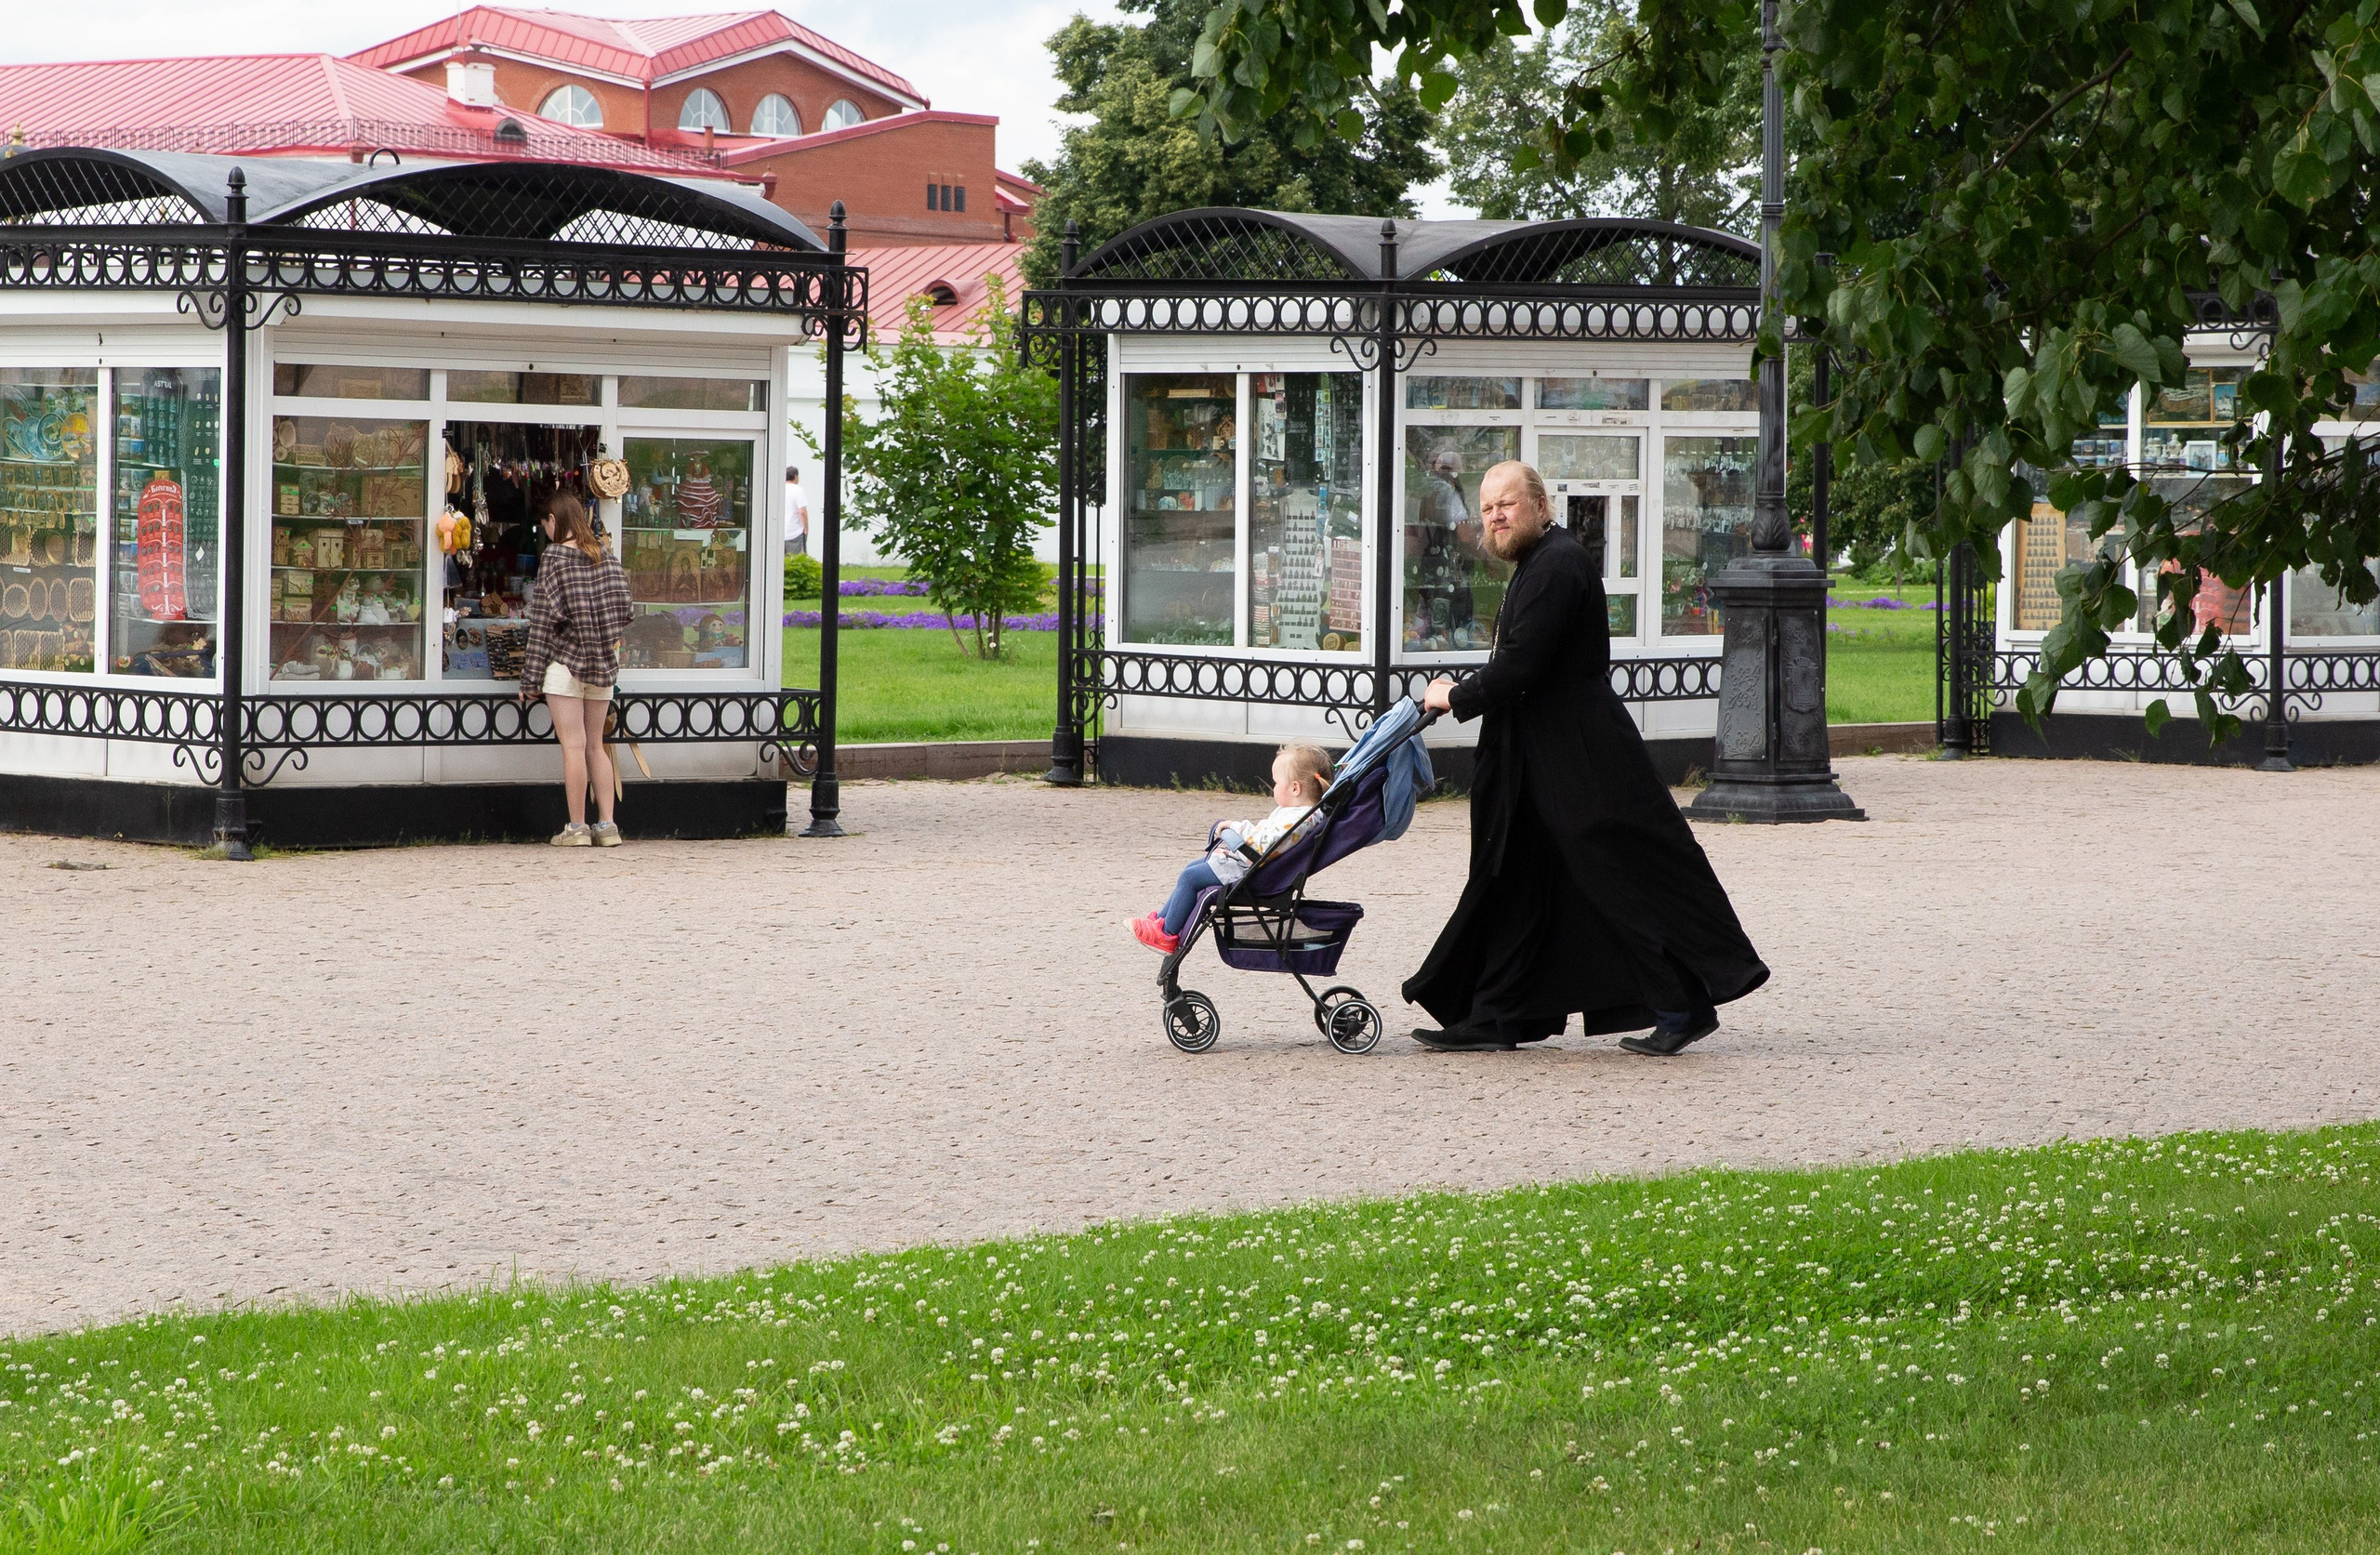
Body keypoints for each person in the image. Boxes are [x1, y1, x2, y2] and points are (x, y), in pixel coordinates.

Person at [1405, 460, 1769, 1055]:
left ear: (1540, 506)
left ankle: (1683, 1003)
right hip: (1539, 755)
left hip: (1578, 756)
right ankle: (1500, 1016)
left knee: (1618, 876)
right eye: (1488, 508)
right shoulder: (1541, 562)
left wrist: (1457, 695)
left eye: (1508, 505)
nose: (1496, 517)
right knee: (1516, 882)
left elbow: (1523, 666)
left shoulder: (1557, 565)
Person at [1131, 744, 1333, 954]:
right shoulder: (1301, 814)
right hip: (1252, 863)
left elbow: (1264, 842)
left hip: (1249, 870)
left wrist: (1235, 827)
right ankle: (1162, 922)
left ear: (1294, 788)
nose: (1272, 788)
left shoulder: (1297, 819)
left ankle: (1166, 933)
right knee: (1193, 869)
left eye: (1275, 783)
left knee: (1190, 878)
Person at [519, 491, 635, 848]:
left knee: (573, 746)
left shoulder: (554, 557)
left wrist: (530, 678)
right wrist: (602, 637)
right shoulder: (607, 557)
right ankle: (608, 826)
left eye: (544, 523)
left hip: (566, 665)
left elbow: (542, 623)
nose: (545, 529)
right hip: (602, 665)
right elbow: (626, 610)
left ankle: (577, 828)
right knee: (596, 745)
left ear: (554, 520)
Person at [784, 465, 811, 558]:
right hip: (795, 532)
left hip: (781, 532)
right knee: (797, 561)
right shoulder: (798, 491)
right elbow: (802, 512)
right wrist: (806, 528)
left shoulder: (780, 490)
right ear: (795, 476)